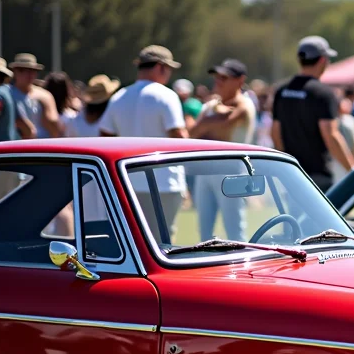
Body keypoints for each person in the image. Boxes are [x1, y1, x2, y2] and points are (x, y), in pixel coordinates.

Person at [100, 45, 189, 231]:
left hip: (126, 181)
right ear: (161, 67)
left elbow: (104, 136)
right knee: (162, 243)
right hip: (163, 183)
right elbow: (179, 136)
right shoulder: (166, 96)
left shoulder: (119, 96)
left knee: (133, 241)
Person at [270, 36, 354, 191]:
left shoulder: (282, 91)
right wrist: (352, 169)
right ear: (323, 60)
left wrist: (286, 166)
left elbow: (275, 133)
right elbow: (331, 135)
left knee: (295, 215)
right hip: (318, 174)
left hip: (292, 173)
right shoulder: (323, 93)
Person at [189, 59, 255, 241]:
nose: (218, 81)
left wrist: (205, 125)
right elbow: (192, 134)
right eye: (217, 77)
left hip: (232, 172)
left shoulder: (246, 104)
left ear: (240, 80)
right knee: (204, 234)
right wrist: (208, 125)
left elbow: (223, 126)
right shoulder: (210, 106)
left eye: (224, 78)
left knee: (235, 232)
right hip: (205, 172)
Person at [9, 53, 61, 137]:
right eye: (23, 70)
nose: (29, 74)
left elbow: (53, 123)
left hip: (40, 145)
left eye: (33, 70)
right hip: (15, 145)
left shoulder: (44, 95)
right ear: (15, 71)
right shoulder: (7, 94)